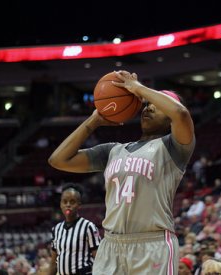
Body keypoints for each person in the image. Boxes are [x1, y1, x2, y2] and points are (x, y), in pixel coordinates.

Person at [48, 70, 196, 275]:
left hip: (152, 244)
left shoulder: (174, 149)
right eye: (146, 104)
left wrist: (138, 88)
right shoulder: (113, 151)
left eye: (158, 105)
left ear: (169, 118)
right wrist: (93, 122)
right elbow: (58, 160)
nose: (149, 106)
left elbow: (181, 114)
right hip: (111, 244)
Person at [48, 187, 101, 275]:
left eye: (72, 202)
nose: (68, 205)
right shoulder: (56, 229)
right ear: (61, 204)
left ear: (79, 205)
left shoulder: (88, 227)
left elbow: (99, 259)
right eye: (65, 202)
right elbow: (53, 263)